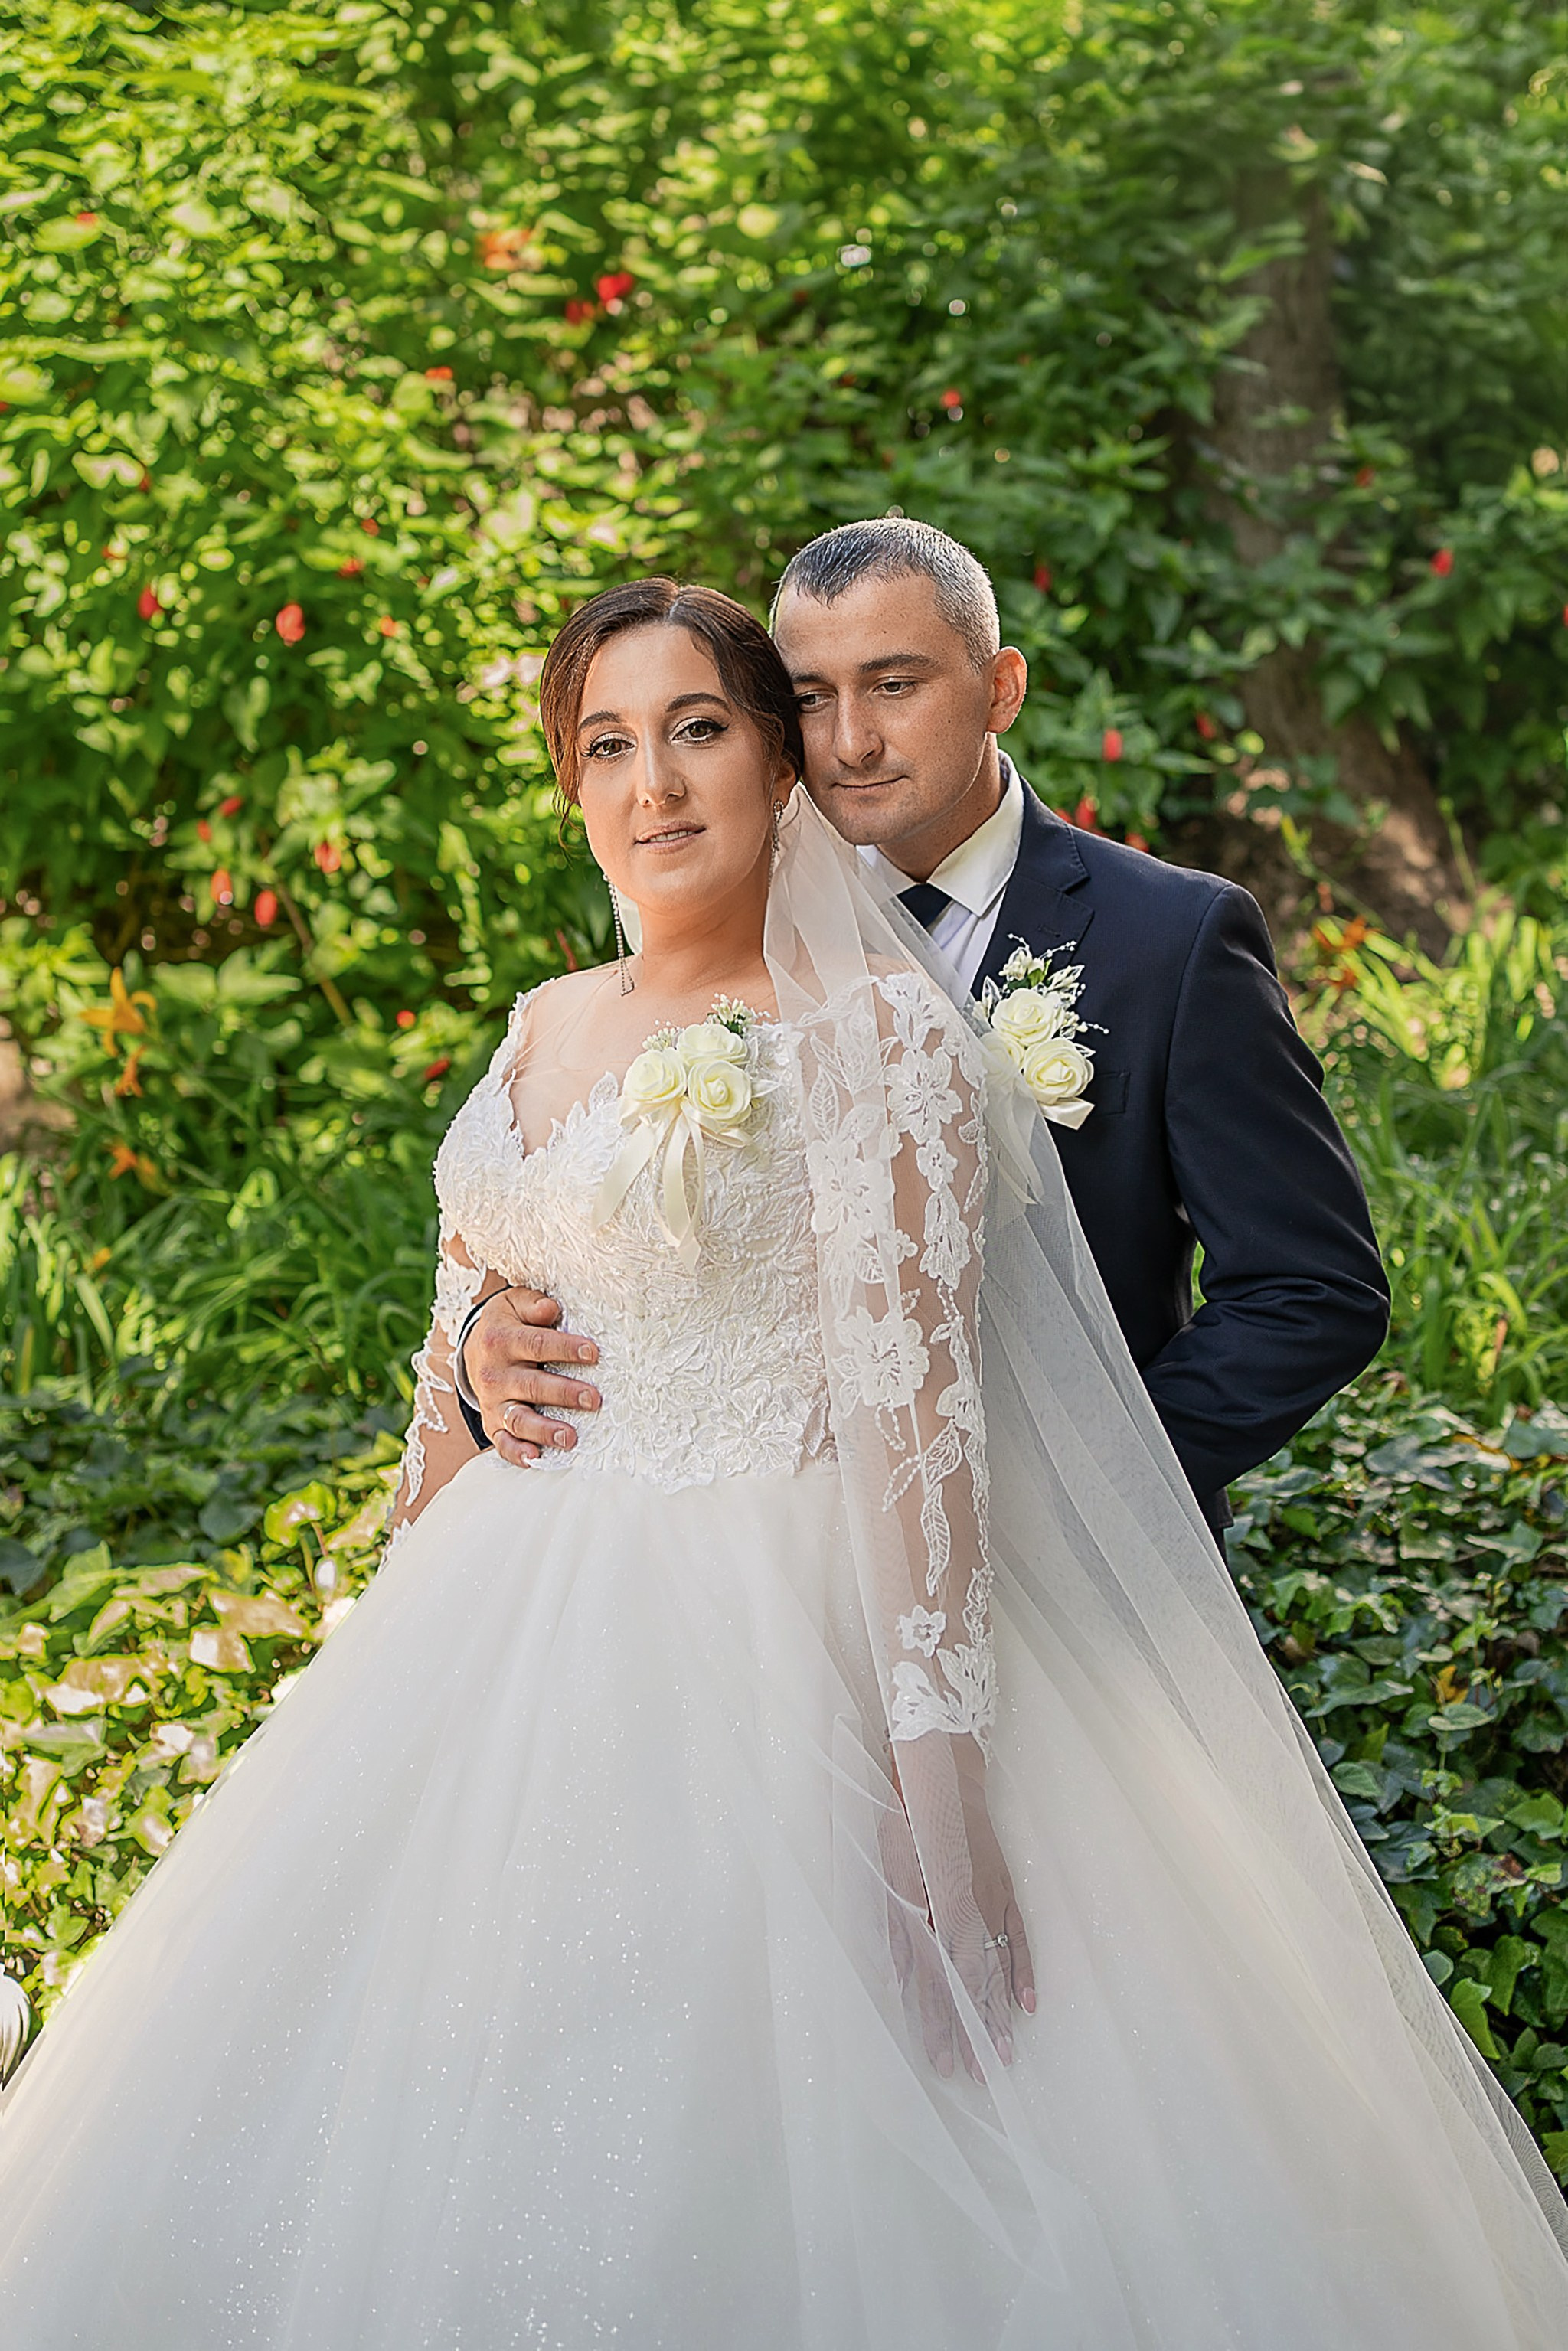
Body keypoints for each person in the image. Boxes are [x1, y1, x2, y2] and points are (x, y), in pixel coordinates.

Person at [2, 576, 1565, 2346]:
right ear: (568, 781)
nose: (653, 782)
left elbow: (916, 1424)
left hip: (788, 1626)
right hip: (496, 1637)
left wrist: (944, 1825)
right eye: (606, 744)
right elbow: (451, 1382)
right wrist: (425, 1502)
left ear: (773, 766)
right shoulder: (539, 1025)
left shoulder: (876, 1035)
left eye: (696, 731)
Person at [456, 521, 1389, 1544]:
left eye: (894, 685)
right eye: (812, 698)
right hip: (783, 1556)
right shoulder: (719, 919)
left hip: (1075, 1559)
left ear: (1001, 689)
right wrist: (482, 1347)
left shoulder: (1172, 940)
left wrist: (1078, 1492)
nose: (851, 741)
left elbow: (1312, 1288)